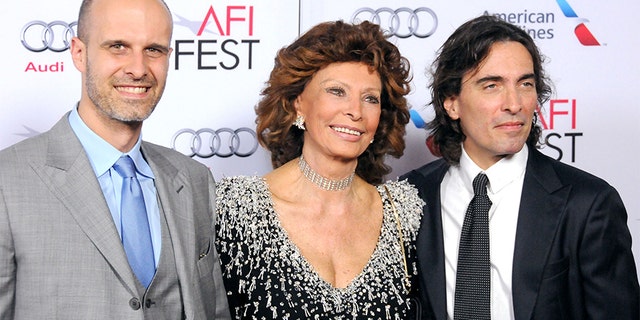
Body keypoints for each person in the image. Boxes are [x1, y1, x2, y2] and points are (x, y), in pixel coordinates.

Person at [0, 0, 230, 318]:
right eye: (118, 46)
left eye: (154, 49)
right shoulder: (7, 181)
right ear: (79, 53)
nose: (138, 68)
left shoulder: (193, 179)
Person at [402, 15, 639, 319]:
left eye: (525, 84)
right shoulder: (412, 197)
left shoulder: (588, 204)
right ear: (452, 103)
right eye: (492, 85)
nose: (514, 103)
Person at [214, 20, 424, 319]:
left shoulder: (404, 213)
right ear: (298, 103)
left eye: (370, 98)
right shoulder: (235, 208)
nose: (355, 110)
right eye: (337, 91)